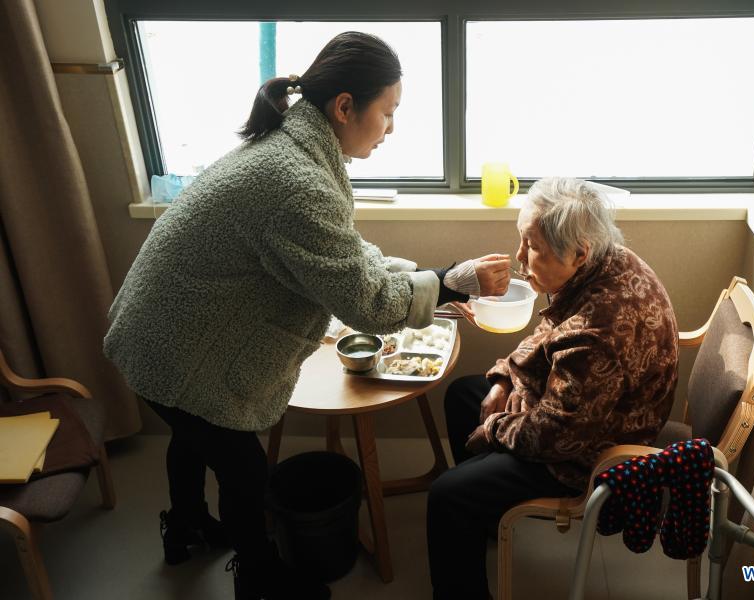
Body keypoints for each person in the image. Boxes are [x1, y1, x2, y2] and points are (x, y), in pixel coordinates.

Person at [103, 32, 510, 600]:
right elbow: (367, 302)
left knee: (192, 437)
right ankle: (260, 575)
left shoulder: (293, 149)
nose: (390, 128)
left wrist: (438, 276)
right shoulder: (293, 182)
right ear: (345, 107)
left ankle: (186, 526)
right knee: (243, 467)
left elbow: (345, 252)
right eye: (387, 112)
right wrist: (444, 282)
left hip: (153, 334)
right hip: (174, 346)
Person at [427, 177, 679, 600]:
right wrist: (504, 378)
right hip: (579, 408)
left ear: (578, 253)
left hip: (591, 451)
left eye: (533, 247)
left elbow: (556, 437)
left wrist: (495, 428)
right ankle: (489, 516)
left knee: (447, 496)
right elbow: (552, 328)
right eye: (521, 241)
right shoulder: (606, 258)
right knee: (464, 395)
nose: (520, 257)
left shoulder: (601, 333)